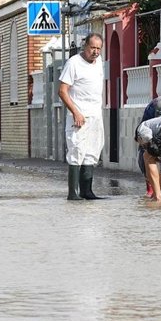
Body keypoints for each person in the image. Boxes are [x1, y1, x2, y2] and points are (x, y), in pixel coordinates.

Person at [58, 33, 105, 200]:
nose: (95, 52)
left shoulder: (99, 62)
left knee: (92, 150)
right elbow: (62, 91)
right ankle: (73, 193)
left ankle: (87, 191)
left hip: (95, 115)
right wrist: (75, 112)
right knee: (77, 150)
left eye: (99, 48)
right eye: (93, 47)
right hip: (78, 116)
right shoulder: (74, 63)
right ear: (85, 46)